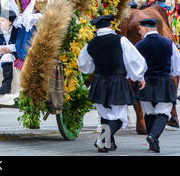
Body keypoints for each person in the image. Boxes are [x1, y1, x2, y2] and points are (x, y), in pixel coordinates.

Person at [77, 15, 147, 153]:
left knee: (105, 115)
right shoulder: (121, 40)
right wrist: (139, 77)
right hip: (117, 82)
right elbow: (134, 60)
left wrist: (92, 68)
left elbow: (83, 65)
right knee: (120, 119)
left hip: (99, 82)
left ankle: (108, 143)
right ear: (110, 26)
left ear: (96, 28)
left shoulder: (91, 43)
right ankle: (102, 141)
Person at [135, 18, 180, 153]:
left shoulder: (139, 45)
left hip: (146, 82)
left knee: (148, 112)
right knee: (163, 112)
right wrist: (169, 73)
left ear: (147, 28)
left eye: (140, 28)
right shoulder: (168, 43)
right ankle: (153, 136)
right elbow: (176, 65)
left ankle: (152, 141)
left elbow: (135, 65)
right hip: (163, 82)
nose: (139, 31)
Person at [14, 0, 61, 69]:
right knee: (22, 22)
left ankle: (27, 57)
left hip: (44, 22)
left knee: (31, 25)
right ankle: (20, 55)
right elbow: (31, 7)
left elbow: (49, 13)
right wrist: (25, 15)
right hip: (35, 17)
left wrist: (33, 17)